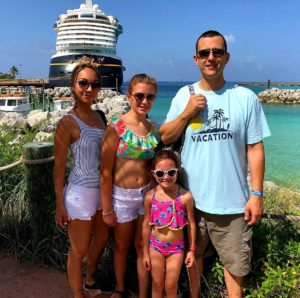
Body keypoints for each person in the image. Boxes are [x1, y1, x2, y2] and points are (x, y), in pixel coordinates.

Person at [159, 30, 271, 298]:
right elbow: (164, 136)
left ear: (226, 57)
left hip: (232, 205)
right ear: (195, 59)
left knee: (235, 267)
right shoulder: (183, 96)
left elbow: (255, 148)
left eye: (217, 52)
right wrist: (187, 112)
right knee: (193, 260)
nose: (211, 58)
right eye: (205, 53)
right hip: (190, 202)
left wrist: (257, 194)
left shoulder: (245, 97)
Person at [54, 61, 110, 298]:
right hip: (79, 193)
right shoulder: (67, 123)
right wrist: (59, 203)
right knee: (78, 250)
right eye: (83, 83)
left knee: (103, 238)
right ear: (73, 86)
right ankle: (78, 294)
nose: (88, 89)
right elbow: (58, 168)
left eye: (94, 84)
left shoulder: (100, 116)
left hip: (102, 191)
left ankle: (90, 278)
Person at [101, 74, 160, 298]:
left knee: (141, 247)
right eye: (139, 96)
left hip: (146, 196)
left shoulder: (153, 129)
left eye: (150, 97)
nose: (144, 101)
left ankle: (143, 293)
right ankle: (119, 288)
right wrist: (107, 209)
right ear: (129, 96)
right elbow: (105, 172)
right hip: (122, 197)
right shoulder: (116, 127)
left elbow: (154, 167)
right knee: (122, 246)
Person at [142, 150, 196, 298]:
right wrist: (145, 253)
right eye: (160, 173)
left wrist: (191, 250)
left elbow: (191, 225)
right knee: (157, 284)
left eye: (171, 172)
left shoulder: (185, 197)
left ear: (177, 172)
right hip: (155, 246)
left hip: (177, 248)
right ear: (153, 174)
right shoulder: (150, 196)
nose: (166, 177)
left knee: (171, 286)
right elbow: (146, 225)